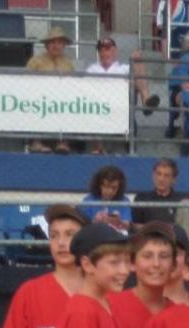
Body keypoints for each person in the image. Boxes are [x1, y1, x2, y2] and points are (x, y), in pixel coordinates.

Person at [108, 222, 177, 328]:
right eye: (147, 256)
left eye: (164, 256)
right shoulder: (111, 306)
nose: (156, 264)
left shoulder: (177, 313)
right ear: (132, 263)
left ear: (173, 265)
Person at [26, 26, 74, 154]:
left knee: (71, 107)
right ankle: (36, 142)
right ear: (47, 45)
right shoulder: (35, 61)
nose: (56, 45)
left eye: (59, 42)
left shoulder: (68, 63)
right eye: (52, 42)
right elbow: (25, 82)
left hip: (61, 99)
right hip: (38, 98)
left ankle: (63, 142)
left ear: (64, 45)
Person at [86, 36, 159, 115]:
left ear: (114, 51)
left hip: (121, 104)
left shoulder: (124, 69)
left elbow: (138, 76)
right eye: (100, 50)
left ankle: (146, 101)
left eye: (107, 49)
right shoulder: (91, 69)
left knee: (136, 59)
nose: (103, 53)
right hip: (98, 104)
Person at [132, 158, 189, 230]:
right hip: (152, 237)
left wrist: (185, 222)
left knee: (186, 204)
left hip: (178, 238)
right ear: (153, 176)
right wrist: (159, 229)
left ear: (174, 180)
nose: (161, 179)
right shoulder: (142, 198)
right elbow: (134, 225)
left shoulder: (185, 198)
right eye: (158, 174)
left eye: (166, 176)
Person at [81, 166, 132, 233]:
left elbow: (127, 227)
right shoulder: (89, 200)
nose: (109, 191)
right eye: (106, 186)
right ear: (99, 185)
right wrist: (95, 221)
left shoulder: (124, 201)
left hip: (116, 236)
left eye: (114, 188)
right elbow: (82, 226)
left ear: (120, 187)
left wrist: (118, 222)